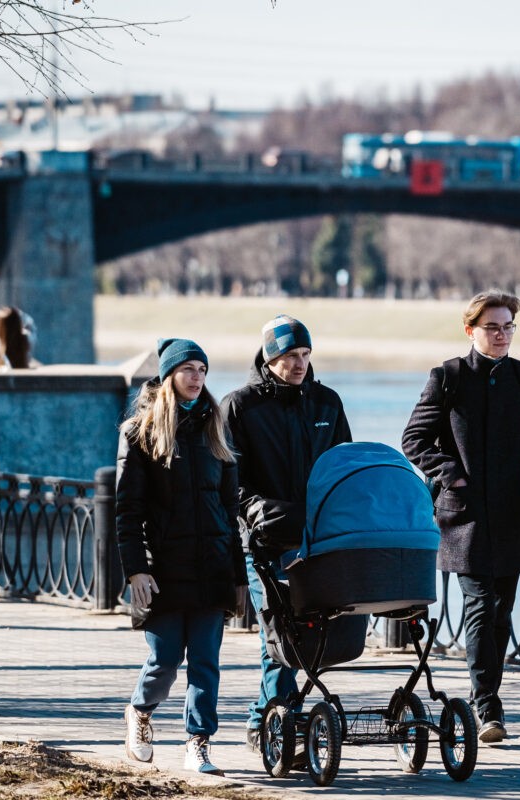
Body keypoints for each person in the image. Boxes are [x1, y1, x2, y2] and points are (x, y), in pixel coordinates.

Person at [401, 290, 520, 744]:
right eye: (493, 327)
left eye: (509, 326)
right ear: (471, 330)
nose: (502, 335)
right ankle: (487, 706)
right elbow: (414, 440)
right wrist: (451, 475)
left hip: (512, 514)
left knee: (501, 613)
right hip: (465, 518)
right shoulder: (449, 377)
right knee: (480, 606)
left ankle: (485, 695)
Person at [222, 314, 352, 752]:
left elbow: (343, 469)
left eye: (304, 354)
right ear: (269, 356)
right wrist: (257, 511)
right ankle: (274, 729)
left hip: (318, 542)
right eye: (289, 356)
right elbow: (229, 480)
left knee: (307, 638)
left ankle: (270, 722)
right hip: (264, 542)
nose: (299, 364)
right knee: (278, 638)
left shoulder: (327, 404)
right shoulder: (240, 406)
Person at [116, 337, 245, 775]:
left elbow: (230, 511)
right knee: (165, 661)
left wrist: (239, 574)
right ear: (169, 374)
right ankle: (140, 711)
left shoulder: (216, 428)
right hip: (164, 570)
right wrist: (135, 569)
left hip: (212, 568)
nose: (197, 378)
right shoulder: (140, 431)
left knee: (206, 664)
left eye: (203, 370)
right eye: (188, 369)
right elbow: (127, 511)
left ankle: (198, 743)